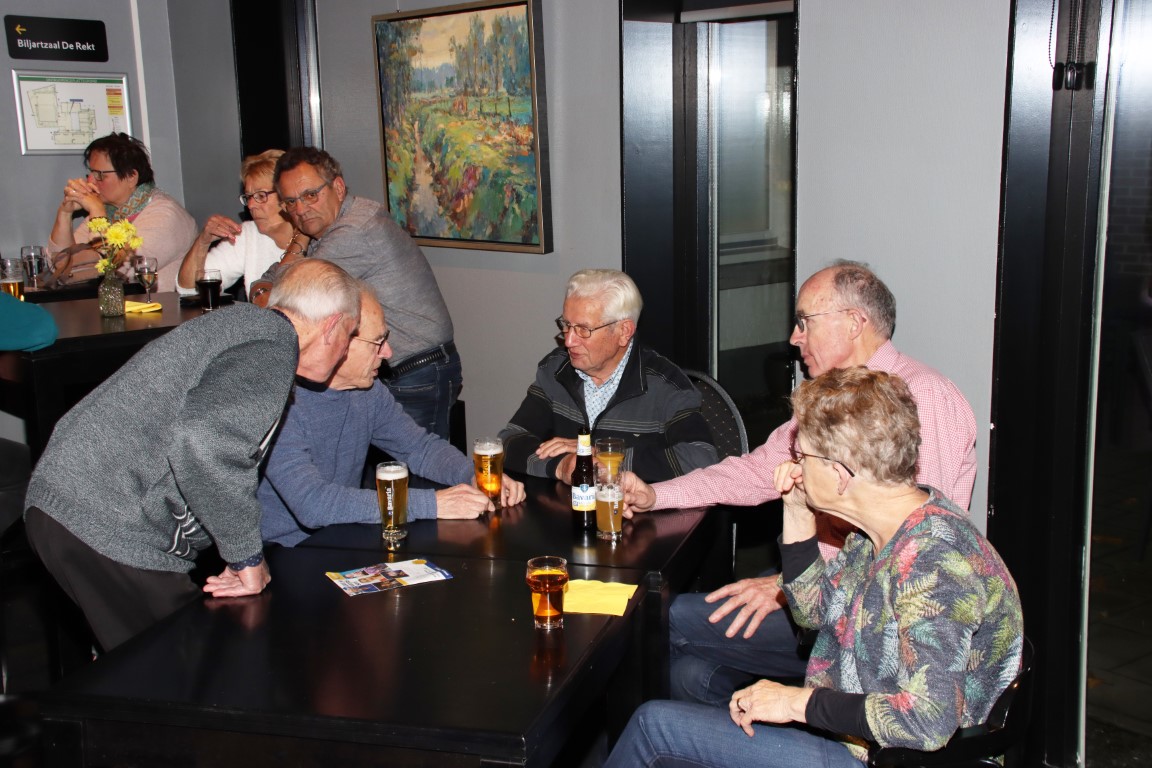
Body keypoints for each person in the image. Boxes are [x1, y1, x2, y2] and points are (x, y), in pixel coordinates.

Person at [604, 367, 1022, 768]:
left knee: (653, 728)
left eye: (802, 456)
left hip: (884, 758)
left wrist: (795, 703)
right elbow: (812, 613)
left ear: (840, 474)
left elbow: (928, 722)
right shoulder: (880, 532)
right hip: (851, 731)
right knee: (685, 684)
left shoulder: (934, 562)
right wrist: (798, 512)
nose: (795, 466)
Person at [621, 260, 979, 705]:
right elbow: (755, 471)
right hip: (819, 583)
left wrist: (786, 584)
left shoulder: (924, 396)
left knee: (663, 617)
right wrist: (656, 494)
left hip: (872, 617)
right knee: (690, 674)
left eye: (805, 321)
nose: (794, 337)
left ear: (854, 323)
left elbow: (915, 547)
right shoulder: (836, 397)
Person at [24, 259, 361, 652]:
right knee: (183, 670)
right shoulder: (273, 345)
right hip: (109, 521)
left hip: (63, 504)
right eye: (351, 334)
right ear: (332, 325)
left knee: (141, 667)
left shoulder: (238, 326)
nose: (346, 350)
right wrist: (246, 557)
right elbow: (205, 441)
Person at [259, 290, 525, 547]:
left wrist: (474, 475)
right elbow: (313, 504)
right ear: (340, 340)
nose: (388, 352)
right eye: (378, 342)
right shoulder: (277, 399)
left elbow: (419, 448)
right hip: (284, 553)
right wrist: (432, 503)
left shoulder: (367, 391)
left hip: (344, 537)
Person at [272, 147, 460, 441]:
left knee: (417, 463)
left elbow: (283, 296)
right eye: (291, 201)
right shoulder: (343, 221)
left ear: (338, 187)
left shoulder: (355, 230)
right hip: (400, 366)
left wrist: (297, 241)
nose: (300, 209)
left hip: (416, 370)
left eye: (310, 195)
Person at [499, 269, 718, 483]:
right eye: (566, 325)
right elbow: (509, 441)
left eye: (583, 329)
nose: (569, 341)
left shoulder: (667, 386)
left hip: (632, 506)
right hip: (566, 504)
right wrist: (562, 466)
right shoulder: (556, 370)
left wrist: (602, 456)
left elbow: (701, 458)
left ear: (624, 332)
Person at [48, 132, 197, 292]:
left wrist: (97, 211)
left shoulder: (166, 216)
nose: (90, 181)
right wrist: (65, 213)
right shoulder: (110, 211)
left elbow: (112, 270)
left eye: (99, 175)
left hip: (160, 307)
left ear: (131, 177)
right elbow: (62, 266)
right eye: (90, 173)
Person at [176, 149, 308, 301]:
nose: (251, 205)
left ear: (287, 195)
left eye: (260, 196)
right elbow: (188, 289)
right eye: (248, 197)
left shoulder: (315, 234)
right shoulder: (248, 235)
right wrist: (202, 242)